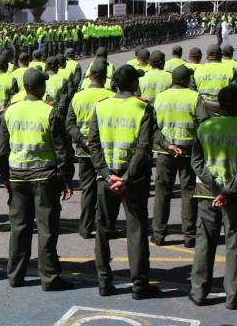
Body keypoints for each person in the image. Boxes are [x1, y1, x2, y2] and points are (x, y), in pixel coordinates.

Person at [0, 68, 75, 290]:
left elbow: (1, 150)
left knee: (19, 228)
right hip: (44, 178)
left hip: (18, 177)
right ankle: (49, 278)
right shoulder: (49, 112)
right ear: (40, 87)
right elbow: (62, 150)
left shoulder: (10, 112)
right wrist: (67, 179)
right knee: (47, 229)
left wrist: (5, 177)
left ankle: (15, 275)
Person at [88, 65, 158, 299]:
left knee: (103, 230)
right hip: (133, 179)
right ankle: (139, 285)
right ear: (132, 84)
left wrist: (108, 175)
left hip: (106, 178)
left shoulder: (101, 106)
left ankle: (104, 282)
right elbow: (143, 147)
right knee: (136, 231)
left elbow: (94, 145)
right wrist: (126, 178)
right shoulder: (142, 107)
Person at [189, 85, 237, 310]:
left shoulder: (204, 128)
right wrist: (227, 190)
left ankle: (198, 292)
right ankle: (234, 297)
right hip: (235, 195)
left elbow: (196, 163)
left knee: (204, 242)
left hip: (207, 193)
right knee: (235, 244)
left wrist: (215, 187)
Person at [151, 66, 205, 248]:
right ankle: (189, 236)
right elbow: (203, 124)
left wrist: (168, 145)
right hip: (188, 150)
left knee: (162, 192)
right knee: (188, 192)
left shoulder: (161, 97)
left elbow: (153, 127)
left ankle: (158, 234)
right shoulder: (194, 96)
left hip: (165, 151)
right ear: (187, 80)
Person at [66, 60, 113, 239]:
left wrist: (83, 140)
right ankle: (105, 227)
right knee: (105, 189)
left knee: (87, 189)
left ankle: (85, 227)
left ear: (90, 76)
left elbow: (69, 124)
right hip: (103, 151)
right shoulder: (110, 95)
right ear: (103, 77)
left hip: (84, 151)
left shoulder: (78, 97)